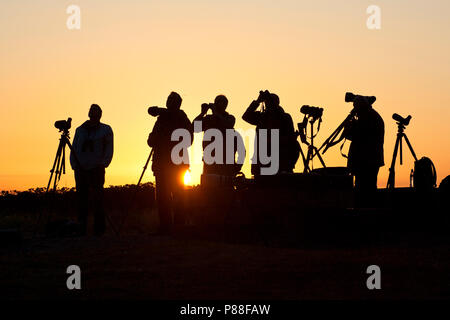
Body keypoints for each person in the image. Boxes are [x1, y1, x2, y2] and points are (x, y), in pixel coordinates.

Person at [147, 92, 193, 234]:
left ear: (177, 103)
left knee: (179, 196)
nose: (169, 102)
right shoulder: (161, 119)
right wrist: (155, 137)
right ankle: (165, 227)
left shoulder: (182, 119)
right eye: (168, 100)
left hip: (177, 165)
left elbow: (189, 140)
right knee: (162, 197)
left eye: (172, 100)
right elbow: (151, 141)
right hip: (161, 164)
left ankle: (179, 226)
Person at [70, 104, 114, 236]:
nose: (93, 113)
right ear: (88, 113)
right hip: (81, 168)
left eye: (96, 111)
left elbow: (109, 148)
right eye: (91, 111)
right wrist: (74, 165)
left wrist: (103, 164)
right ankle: (81, 228)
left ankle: (99, 230)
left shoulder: (106, 130)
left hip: (97, 168)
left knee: (98, 200)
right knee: (81, 199)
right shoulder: (80, 130)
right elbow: (74, 147)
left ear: (100, 114)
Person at [242, 90, 300, 176]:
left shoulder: (284, 117)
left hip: (281, 164)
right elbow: (246, 116)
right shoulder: (262, 117)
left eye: (270, 102)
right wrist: (258, 101)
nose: (268, 105)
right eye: (267, 102)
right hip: (262, 164)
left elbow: (291, 140)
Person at [193, 95, 244, 177]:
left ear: (225, 105)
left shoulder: (230, 118)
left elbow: (227, 125)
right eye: (217, 102)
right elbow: (194, 128)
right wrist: (202, 113)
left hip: (226, 166)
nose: (218, 105)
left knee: (226, 188)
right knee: (209, 187)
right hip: (210, 165)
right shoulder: (209, 119)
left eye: (221, 102)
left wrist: (237, 168)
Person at [344, 95, 384, 193]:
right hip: (369, 161)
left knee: (364, 190)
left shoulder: (367, 117)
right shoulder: (371, 115)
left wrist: (349, 126)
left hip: (365, 162)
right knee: (368, 188)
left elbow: (357, 136)